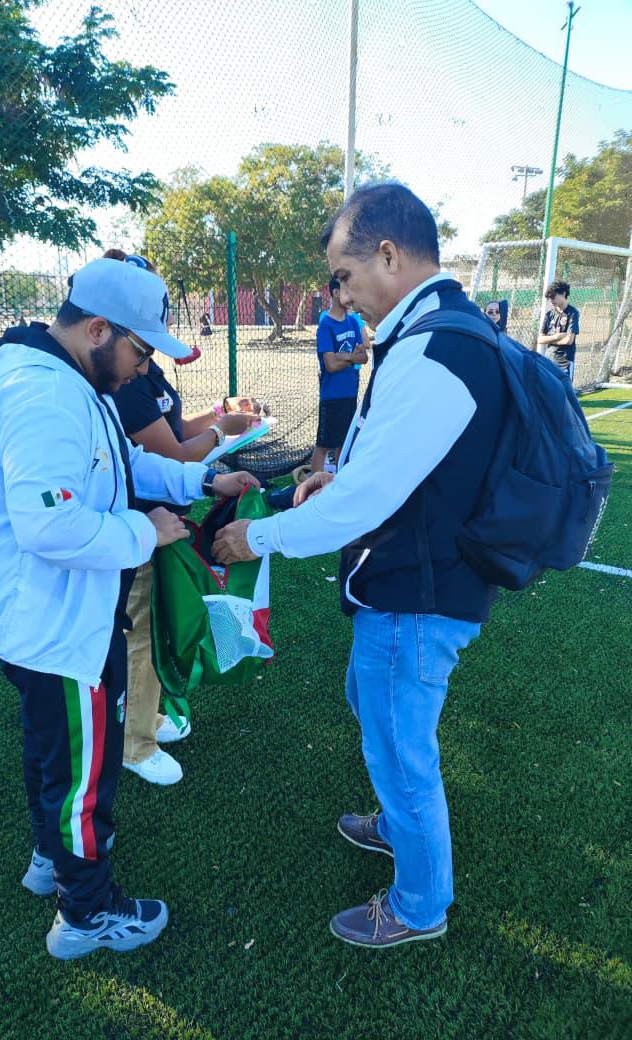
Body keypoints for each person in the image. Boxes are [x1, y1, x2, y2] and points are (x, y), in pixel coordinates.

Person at [213, 182, 508, 950]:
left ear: (387, 253)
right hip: (414, 578)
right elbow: (399, 471)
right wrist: (336, 476)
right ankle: (397, 822)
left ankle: (418, 906)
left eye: (342, 276)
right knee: (374, 707)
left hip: (419, 590)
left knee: (401, 745)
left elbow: (368, 504)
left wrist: (260, 538)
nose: (337, 295)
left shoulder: (438, 347)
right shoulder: (434, 333)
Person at [0, 257, 258, 960]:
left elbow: (121, 465)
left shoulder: (68, 380)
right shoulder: (45, 394)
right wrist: (141, 531)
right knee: (85, 775)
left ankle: (50, 862)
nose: (142, 368)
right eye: (140, 350)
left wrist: (200, 476)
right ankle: (85, 915)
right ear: (97, 330)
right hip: (54, 624)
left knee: (52, 751)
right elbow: (47, 524)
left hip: (47, 615)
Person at [109, 251, 267, 784]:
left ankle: (144, 716)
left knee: (153, 627)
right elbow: (170, 455)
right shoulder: (118, 380)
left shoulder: (141, 366)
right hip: (140, 527)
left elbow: (168, 439)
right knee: (139, 633)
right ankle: (134, 743)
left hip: (162, 521)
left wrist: (221, 419)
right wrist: (222, 436)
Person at [310, 276, 369, 474]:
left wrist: (343, 356)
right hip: (331, 395)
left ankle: (338, 483)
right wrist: (351, 357)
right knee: (324, 444)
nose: (351, 295)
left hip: (350, 392)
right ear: (336, 293)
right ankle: (313, 486)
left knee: (344, 441)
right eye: (347, 290)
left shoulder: (353, 322)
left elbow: (363, 358)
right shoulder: (326, 325)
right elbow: (330, 365)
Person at [538, 280, 580, 382]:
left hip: (564, 361)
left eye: (553, 296)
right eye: (549, 298)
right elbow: (540, 339)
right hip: (548, 359)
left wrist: (549, 340)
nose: (551, 300)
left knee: (565, 391)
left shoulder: (573, 313)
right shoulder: (549, 314)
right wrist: (556, 337)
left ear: (563, 293)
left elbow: (569, 341)